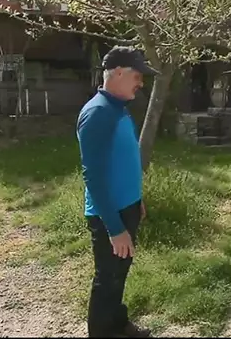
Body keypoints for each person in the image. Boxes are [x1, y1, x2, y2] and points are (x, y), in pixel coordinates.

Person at [76, 46, 160, 338]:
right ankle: (102, 332)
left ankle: (117, 324)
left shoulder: (117, 108)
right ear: (120, 73)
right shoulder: (98, 112)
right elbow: (94, 177)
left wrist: (137, 200)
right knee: (108, 277)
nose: (141, 82)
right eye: (137, 76)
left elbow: (122, 161)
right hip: (108, 214)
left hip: (127, 207)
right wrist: (114, 228)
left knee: (119, 273)